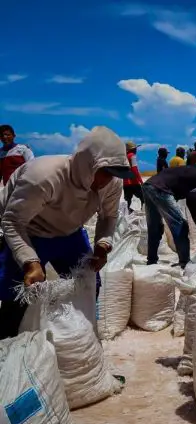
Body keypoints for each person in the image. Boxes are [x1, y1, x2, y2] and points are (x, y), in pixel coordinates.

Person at [0, 127, 130, 339]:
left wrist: (102, 245)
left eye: (114, 174)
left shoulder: (111, 183)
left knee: (89, 283)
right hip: (30, 232)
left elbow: (108, 216)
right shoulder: (43, 176)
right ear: (87, 163)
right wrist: (30, 262)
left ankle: (76, 340)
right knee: (18, 295)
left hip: (70, 233)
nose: (108, 180)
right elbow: (13, 221)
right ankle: (9, 351)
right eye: (105, 172)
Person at [142, 165, 196, 268]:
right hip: (161, 189)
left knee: (154, 226)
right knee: (180, 225)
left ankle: (151, 260)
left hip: (148, 185)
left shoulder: (187, 171)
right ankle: (184, 261)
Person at [123, 141, 144, 213]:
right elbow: (135, 169)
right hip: (133, 182)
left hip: (125, 182)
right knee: (143, 198)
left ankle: (128, 214)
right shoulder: (132, 156)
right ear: (133, 149)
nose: (136, 150)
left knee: (128, 200)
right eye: (135, 149)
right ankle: (143, 211)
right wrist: (141, 181)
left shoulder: (124, 157)